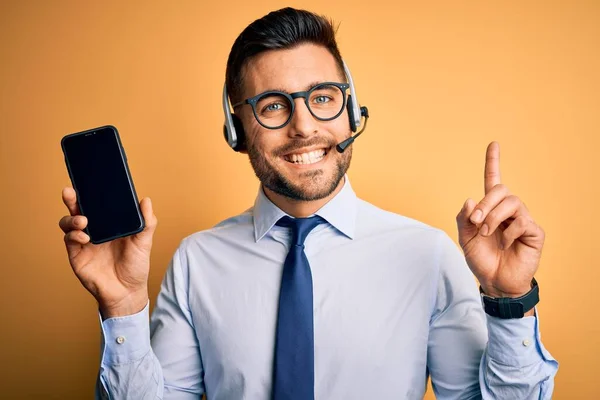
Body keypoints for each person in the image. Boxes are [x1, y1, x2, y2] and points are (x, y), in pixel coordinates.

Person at [59, 7, 558, 400]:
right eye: (273, 105)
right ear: (236, 129)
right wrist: (122, 307)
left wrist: (508, 302)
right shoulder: (196, 262)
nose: (303, 126)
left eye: (322, 97)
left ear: (350, 110)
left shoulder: (428, 256)